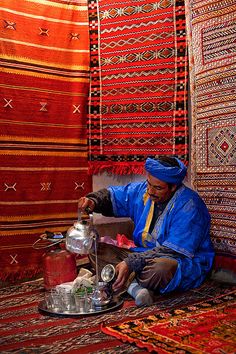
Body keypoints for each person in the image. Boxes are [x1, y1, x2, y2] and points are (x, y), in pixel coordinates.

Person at [78, 156, 215, 306]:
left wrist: (131, 262)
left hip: (177, 259)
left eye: (158, 188)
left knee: (161, 270)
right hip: (142, 253)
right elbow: (116, 196)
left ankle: (127, 283)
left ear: (174, 187)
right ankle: (136, 288)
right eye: (149, 184)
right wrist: (93, 200)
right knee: (96, 249)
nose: (150, 191)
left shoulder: (190, 205)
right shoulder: (143, 191)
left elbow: (173, 250)